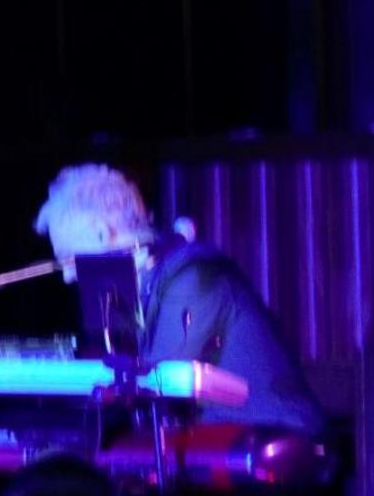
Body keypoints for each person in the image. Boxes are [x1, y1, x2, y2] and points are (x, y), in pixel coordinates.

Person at [32, 163, 328, 447]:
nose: (68, 276)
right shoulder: (133, 288)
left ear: (100, 233)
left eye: (69, 258)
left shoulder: (192, 274)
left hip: (279, 450)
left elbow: (157, 382)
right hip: (220, 447)